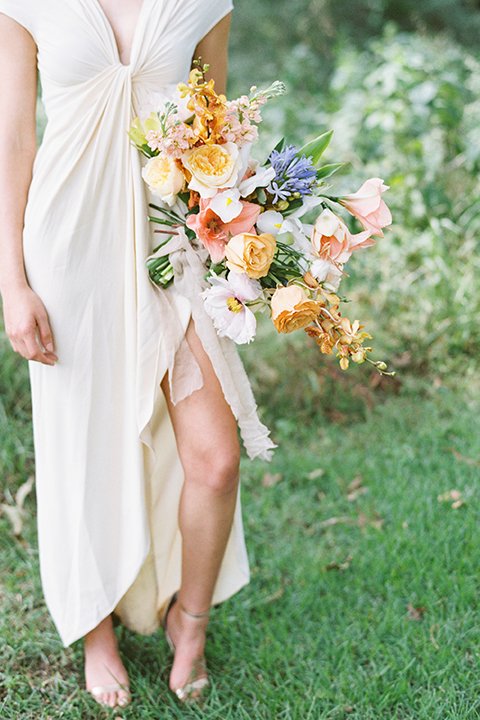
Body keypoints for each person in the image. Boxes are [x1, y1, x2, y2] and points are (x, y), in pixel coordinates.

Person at [0, 0, 274, 709]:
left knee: (215, 458)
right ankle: (97, 631)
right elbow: (13, 139)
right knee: (81, 445)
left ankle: (191, 622)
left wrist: (244, 244)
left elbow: (222, 130)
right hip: (68, 249)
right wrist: (12, 282)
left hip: (175, 249)